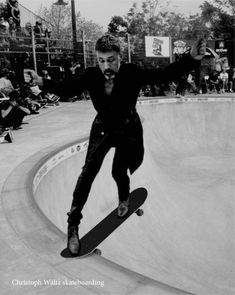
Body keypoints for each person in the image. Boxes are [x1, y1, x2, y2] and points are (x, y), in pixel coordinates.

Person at [27, 34, 206, 256]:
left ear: (119, 57)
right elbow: (68, 90)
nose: (106, 66)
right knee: (87, 173)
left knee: (118, 170)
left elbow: (164, 75)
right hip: (102, 127)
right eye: (101, 61)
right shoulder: (92, 75)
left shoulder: (131, 72)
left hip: (128, 128)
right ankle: (73, 225)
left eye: (111, 60)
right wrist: (42, 82)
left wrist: (191, 58)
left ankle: (124, 198)